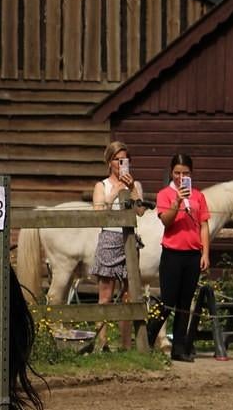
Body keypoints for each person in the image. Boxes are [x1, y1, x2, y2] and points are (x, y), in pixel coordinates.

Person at [147, 154, 210, 362]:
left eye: (185, 173)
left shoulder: (199, 196)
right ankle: (147, 339)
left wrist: (205, 253)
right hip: (172, 253)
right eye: (177, 173)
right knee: (168, 301)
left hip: (192, 254)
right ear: (171, 172)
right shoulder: (164, 194)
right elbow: (166, 221)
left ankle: (180, 348)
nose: (181, 177)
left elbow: (204, 225)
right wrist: (178, 201)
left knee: (185, 303)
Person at [89, 142, 146, 351]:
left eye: (125, 160)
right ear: (109, 162)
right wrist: (114, 192)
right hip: (109, 239)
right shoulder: (101, 186)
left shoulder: (135, 184)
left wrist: (131, 189)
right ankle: (101, 343)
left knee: (128, 295)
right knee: (105, 296)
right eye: (117, 160)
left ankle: (126, 344)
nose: (122, 164)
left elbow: (140, 211)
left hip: (129, 241)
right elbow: (98, 214)